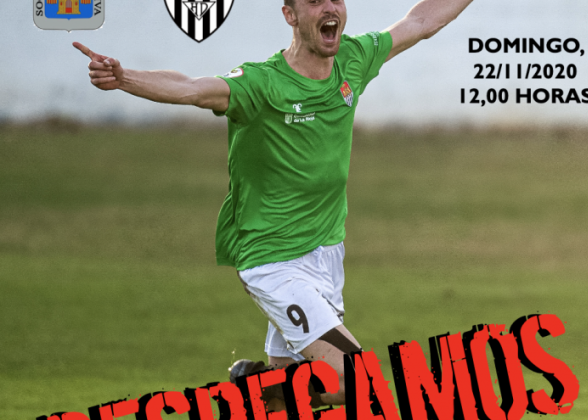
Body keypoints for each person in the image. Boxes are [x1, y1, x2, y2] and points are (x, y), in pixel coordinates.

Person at [74, 0, 473, 410]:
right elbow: (193, 88)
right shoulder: (262, 83)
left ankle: (260, 390)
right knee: (357, 382)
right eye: (315, 1)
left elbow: (420, 21)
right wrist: (125, 78)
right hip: (274, 260)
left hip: (326, 254)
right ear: (290, 15)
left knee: (285, 400)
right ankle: (256, 390)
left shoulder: (353, 59)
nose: (330, 7)